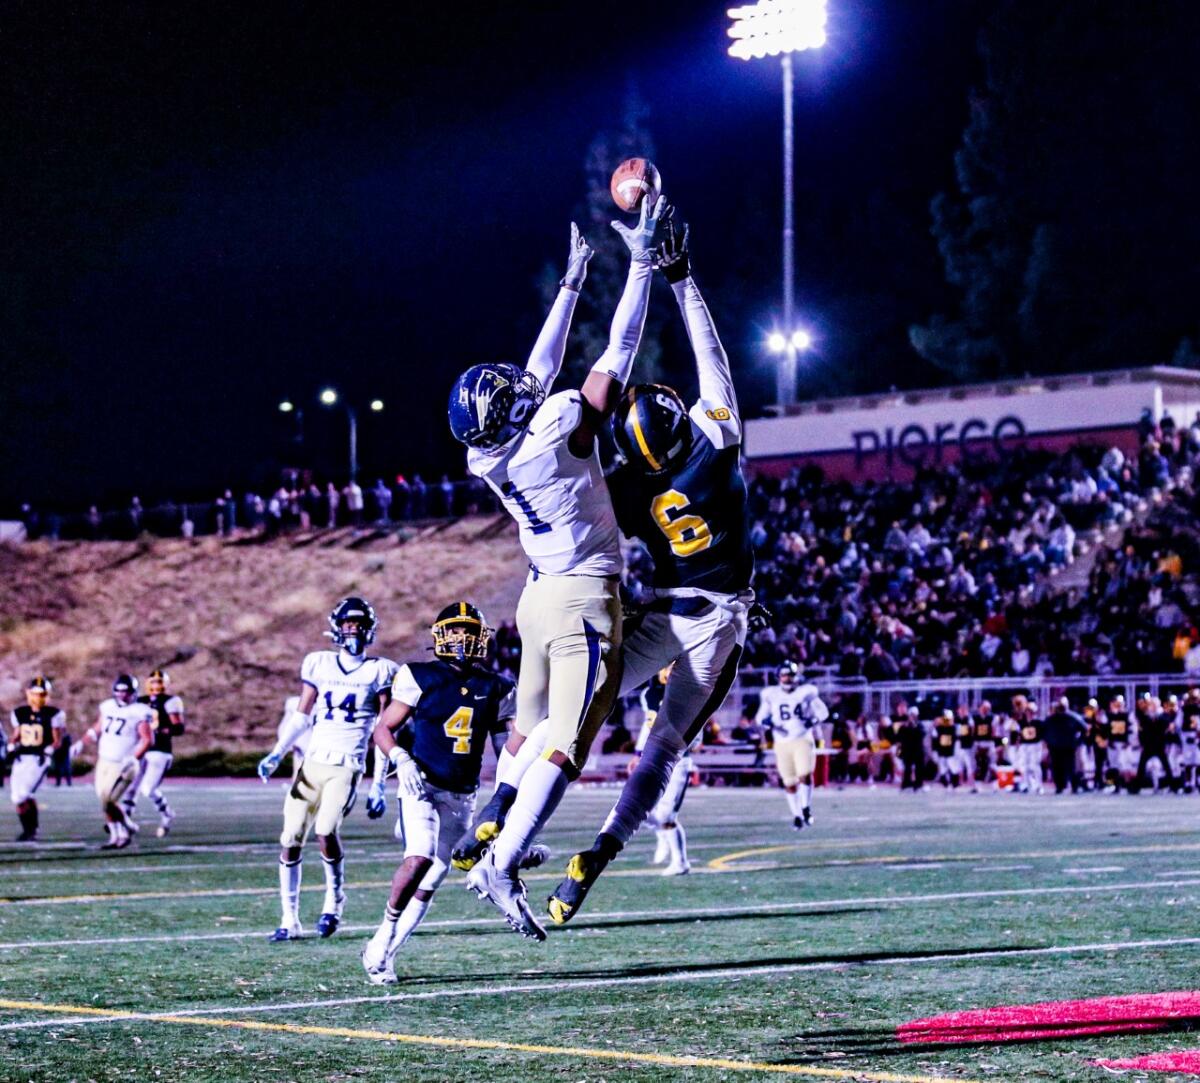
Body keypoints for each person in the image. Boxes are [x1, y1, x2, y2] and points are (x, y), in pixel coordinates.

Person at [446, 202, 664, 940]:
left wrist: (570, 285)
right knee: (570, 738)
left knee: (527, 729)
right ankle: (501, 861)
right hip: (582, 597)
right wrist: (639, 262)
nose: (520, 383)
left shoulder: (488, 453)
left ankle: (492, 816)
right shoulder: (559, 423)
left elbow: (533, 378)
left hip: (536, 599)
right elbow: (621, 345)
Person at [542, 214, 760, 924]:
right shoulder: (716, 442)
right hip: (719, 618)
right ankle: (600, 852)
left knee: (585, 706)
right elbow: (713, 359)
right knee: (664, 744)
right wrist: (681, 276)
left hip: (664, 611)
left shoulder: (631, 487)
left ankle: (509, 809)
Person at [359, 603, 541, 983]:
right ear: (440, 635)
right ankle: (383, 935)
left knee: (437, 874)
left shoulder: (496, 686)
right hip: (421, 783)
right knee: (421, 857)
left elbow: (507, 748)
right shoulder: (418, 675)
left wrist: (535, 728)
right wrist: (400, 759)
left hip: (463, 794)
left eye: (469, 631)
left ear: (482, 638)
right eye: (455, 630)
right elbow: (383, 728)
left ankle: (386, 956)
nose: (462, 637)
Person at [256, 597, 397, 941]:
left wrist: (378, 784)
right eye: (348, 625)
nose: (354, 631)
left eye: (359, 625)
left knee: (325, 830)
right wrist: (277, 752)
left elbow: (384, 728)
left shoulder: (381, 670)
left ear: (370, 630)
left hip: (347, 766)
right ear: (336, 628)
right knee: (290, 838)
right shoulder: (319, 663)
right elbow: (302, 714)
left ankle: (334, 901)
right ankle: (289, 918)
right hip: (313, 762)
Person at [73, 676, 154, 849]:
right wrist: (81, 743)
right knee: (105, 800)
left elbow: (147, 740)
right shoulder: (108, 706)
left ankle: (126, 826)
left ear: (133, 693)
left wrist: (133, 758)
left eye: (126, 692)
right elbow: (97, 729)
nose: (122, 695)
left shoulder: (140, 711)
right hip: (105, 761)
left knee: (108, 799)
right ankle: (119, 835)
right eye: (119, 691)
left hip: (124, 764)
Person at [630, 667, 696, 876]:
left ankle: (680, 862)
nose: (668, 672)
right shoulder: (649, 695)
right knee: (638, 808)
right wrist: (637, 752)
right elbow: (648, 725)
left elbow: (698, 728)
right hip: (653, 756)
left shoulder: (689, 694)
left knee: (667, 815)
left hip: (677, 759)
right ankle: (662, 835)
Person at [753, 663, 829, 828]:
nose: (788, 678)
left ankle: (806, 808)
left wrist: (813, 720)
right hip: (781, 742)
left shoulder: (806, 693)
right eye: (785, 675)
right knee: (789, 782)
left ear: (796, 676)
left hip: (802, 739)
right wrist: (766, 722)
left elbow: (823, 712)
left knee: (805, 775)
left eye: (791, 675)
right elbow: (760, 718)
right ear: (779, 677)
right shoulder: (771, 695)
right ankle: (797, 815)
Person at [126, 669, 185, 836]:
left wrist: (164, 731)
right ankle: (125, 820)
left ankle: (166, 814)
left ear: (165, 684)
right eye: (153, 682)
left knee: (148, 789)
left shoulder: (171, 701)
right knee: (130, 787)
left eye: (159, 682)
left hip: (160, 750)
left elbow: (179, 727)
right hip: (141, 749)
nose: (156, 686)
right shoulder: (139, 701)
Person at [8, 677, 66, 841]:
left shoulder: (54, 714)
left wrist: (49, 750)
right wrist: (11, 746)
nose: (38, 697)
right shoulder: (20, 712)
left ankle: (31, 830)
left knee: (23, 795)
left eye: (42, 694)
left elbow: (57, 741)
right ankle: (30, 830)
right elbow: (16, 735)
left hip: (39, 759)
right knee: (18, 797)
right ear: (28, 693)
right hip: (21, 758)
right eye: (35, 693)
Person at [1043, 697, 1088, 794]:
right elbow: (1043, 731)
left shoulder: (1072, 717)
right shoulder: (1051, 719)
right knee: (1057, 768)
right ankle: (1060, 786)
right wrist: (1048, 742)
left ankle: (1074, 786)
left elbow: (1085, 729)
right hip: (1055, 747)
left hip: (1068, 747)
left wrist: (1078, 741)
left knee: (1071, 767)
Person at [933, 710, 959, 787]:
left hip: (951, 751)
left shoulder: (954, 728)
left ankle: (955, 782)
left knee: (953, 767)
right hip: (941, 750)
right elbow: (935, 740)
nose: (947, 721)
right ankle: (945, 782)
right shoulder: (938, 728)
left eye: (948, 719)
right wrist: (935, 750)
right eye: (945, 719)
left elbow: (956, 740)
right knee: (942, 767)